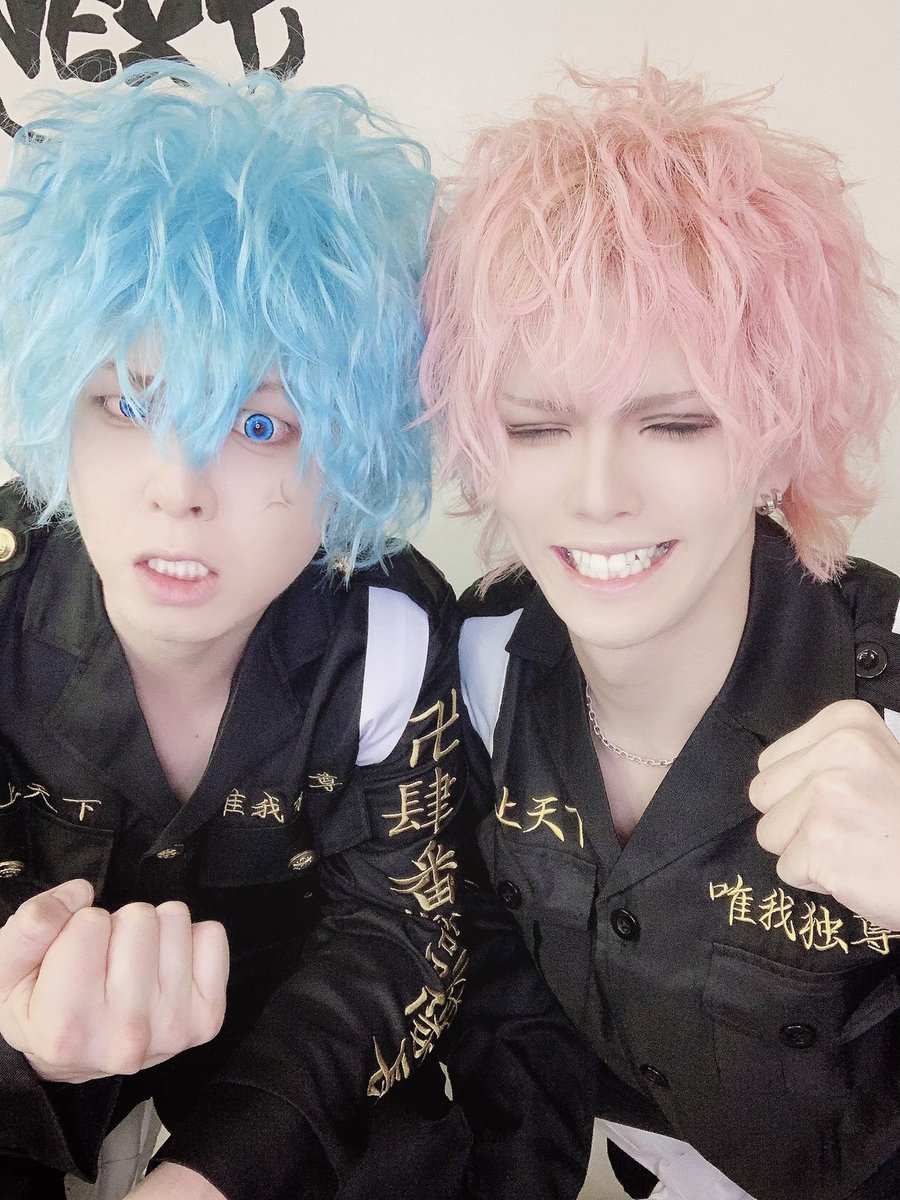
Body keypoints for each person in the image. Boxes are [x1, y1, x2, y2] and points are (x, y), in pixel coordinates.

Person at [421, 68, 900, 1200]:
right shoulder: (478, 667)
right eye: (537, 427)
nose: (599, 495)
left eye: (676, 422)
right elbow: (510, 1014)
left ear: (776, 428)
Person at [0, 62, 473, 1200]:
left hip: (277, 1023)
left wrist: (222, 1170)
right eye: (129, 404)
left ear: (352, 453)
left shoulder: (387, 635)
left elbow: (402, 930)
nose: (178, 488)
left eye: (260, 425)